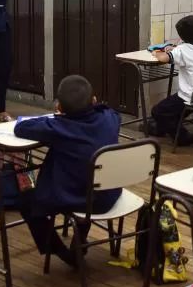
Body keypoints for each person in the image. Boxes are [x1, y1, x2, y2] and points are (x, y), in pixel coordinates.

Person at [12, 75, 121, 266]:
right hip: (109, 194)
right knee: (86, 177)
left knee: (25, 200)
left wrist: (58, 118)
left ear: (59, 108)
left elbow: (21, 128)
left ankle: (63, 252)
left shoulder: (58, 127)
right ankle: (79, 238)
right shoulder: (110, 119)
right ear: (94, 100)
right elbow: (111, 112)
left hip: (78, 199)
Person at [143, 15, 193, 145]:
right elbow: (190, 52)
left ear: (182, 37)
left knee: (158, 111)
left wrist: (156, 53)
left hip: (189, 98)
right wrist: (176, 49)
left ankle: (183, 136)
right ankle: (160, 129)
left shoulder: (182, 50)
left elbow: (164, 58)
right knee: (170, 111)